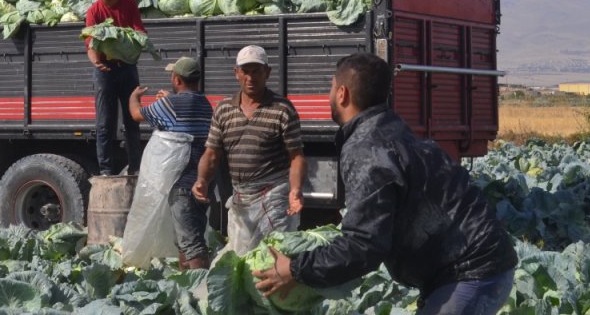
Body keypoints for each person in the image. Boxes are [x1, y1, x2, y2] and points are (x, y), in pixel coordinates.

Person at [253, 53, 518, 315]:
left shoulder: (367, 149)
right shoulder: (388, 127)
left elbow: (364, 245)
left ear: (342, 93)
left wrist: (296, 269)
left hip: (473, 272)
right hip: (475, 265)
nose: (329, 95)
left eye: (331, 87)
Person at [192, 45, 305, 253]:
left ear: (267, 73)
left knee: (273, 254)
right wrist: (202, 180)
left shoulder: (282, 109)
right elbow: (211, 153)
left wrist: (295, 190)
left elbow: (296, 156)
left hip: (274, 194)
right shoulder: (224, 109)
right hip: (242, 197)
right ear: (237, 73)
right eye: (245, 71)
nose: (250, 78)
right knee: (241, 257)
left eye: (256, 71)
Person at [127, 56, 215, 269]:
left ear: (176, 80)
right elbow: (183, 119)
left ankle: (201, 287)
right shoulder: (205, 104)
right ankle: (188, 284)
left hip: (182, 185)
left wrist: (134, 96)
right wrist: (168, 99)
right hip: (201, 182)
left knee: (191, 243)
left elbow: (137, 115)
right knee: (186, 238)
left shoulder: (171, 104)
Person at [86, 0, 147, 176]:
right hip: (105, 70)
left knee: (132, 120)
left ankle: (136, 168)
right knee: (105, 123)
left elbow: (139, 31)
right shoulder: (94, 11)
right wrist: (96, 61)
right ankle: (105, 170)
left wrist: (135, 42)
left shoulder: (129, 4)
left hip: (127, 67)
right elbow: (91, 42)